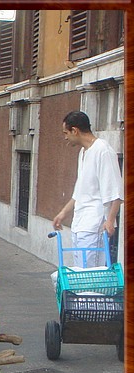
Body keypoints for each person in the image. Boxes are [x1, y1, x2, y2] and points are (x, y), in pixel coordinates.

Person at [52, 111, 123, 268]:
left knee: (92, 273)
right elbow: (80, 191)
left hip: (94, 224)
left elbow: (116, 191)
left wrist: (110, 220)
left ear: (75, 130)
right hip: (80, 223)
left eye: (66, 132)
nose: (65, 137)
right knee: (81, 273)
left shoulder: (103, 151)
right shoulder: (83, 152)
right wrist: (63, 213)